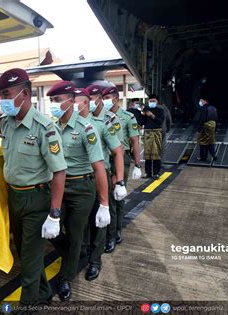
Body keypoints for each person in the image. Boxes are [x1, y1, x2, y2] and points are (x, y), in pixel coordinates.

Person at [0, 68, 67, 305]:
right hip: (14, 197)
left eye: (6, 93)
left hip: (37, 200)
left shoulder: (44, 127)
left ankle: (26, 305)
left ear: (24, 94)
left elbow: (59, 171)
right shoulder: (5, 124)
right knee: (27, 253)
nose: (2, 100)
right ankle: (45, 292)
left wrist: (54, 214)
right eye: (1, 95)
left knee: (28, 260)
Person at [46, 83, 109, 300]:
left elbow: (99, 167)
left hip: (82, 188)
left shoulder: (86, 129)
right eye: (52, 101)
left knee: (75, 232)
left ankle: (65, 277)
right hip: (58, 187)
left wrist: (104, 204)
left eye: (58, 100)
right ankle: (75, 251)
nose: (54, 105)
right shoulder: (50, 128)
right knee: (46, 227)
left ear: (72, 101)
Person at [84, 84, 126, 280]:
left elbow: (117, 150)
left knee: (104, 212)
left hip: (103, 172)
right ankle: (88, 247)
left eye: (94, 98)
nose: (91, 102)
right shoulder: (81, 119)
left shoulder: (107, 121)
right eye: (88, 98)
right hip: (82, 175)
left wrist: (119, 179)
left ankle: (105, 244)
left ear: (100, 99)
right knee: (87, 218)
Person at [102, 84, 142, 253]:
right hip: (104, 158)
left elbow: (134, 141)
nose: (104, 101)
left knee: (116, 196)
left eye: (107, 98)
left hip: (121, 158)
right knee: (107, 197)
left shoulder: (127, 117)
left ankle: (115, 231)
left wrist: (137, 164)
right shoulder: (99, 116)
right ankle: (110, 230)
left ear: (116, 98)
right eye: (102, 99)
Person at [138, 95, 165, 179]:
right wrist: (142, 115)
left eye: (153, 101)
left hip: (156, 132)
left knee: (156, 154)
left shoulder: (160, 110)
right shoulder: (146, 110)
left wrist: (152, 115)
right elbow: (141, 122)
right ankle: (148, 172)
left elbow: (160, 122)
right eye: (150, 101)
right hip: (147, 132)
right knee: (147, 154)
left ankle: (156, 173)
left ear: (157, 101)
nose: (151, 102)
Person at [197, 91, 218, 161]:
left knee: (202, 141)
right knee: (211, 141)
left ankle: (203, 157)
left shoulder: (204, 108)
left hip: (206, 126)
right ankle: (214, 155)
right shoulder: (213, 108)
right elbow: (216, 118)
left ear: (204, 101)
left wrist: (199, 130)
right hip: (213, 125)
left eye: (201, 100)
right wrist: (216, 129)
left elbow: (202, 120)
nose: (200, 102)